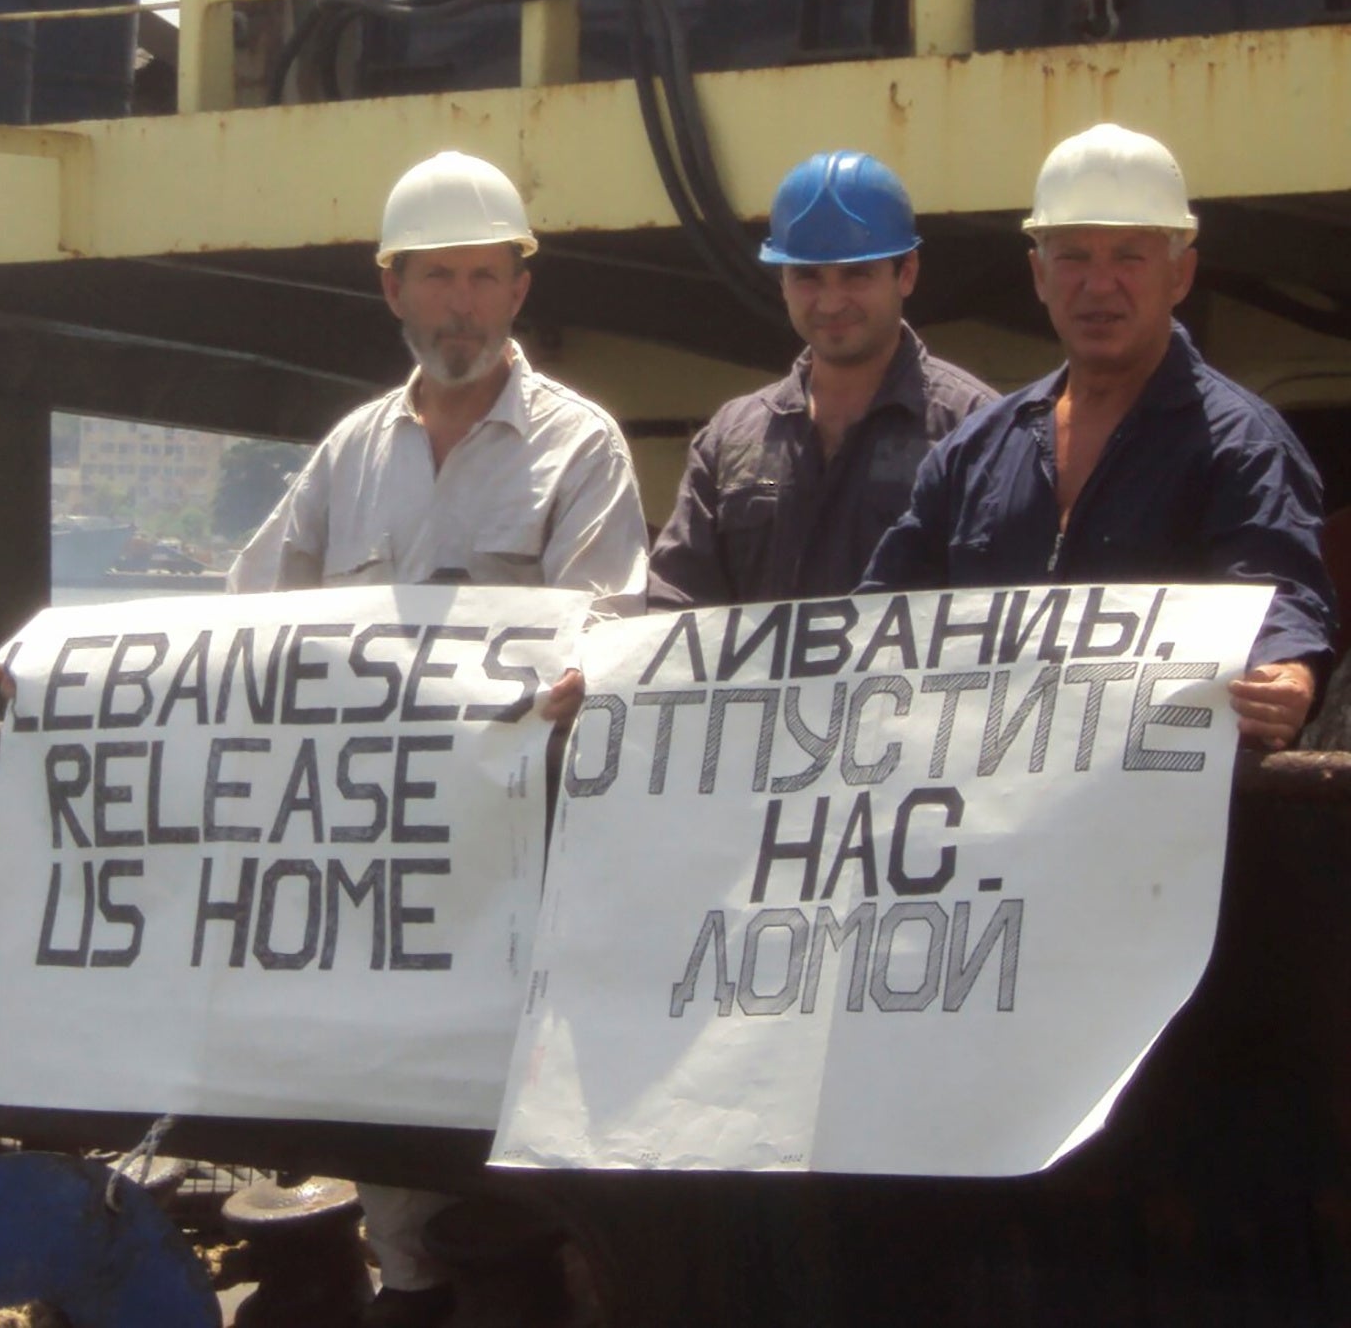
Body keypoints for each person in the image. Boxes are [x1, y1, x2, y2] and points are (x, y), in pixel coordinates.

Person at [229, 149, 651, 1326]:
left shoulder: (583, 449)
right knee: (396, 1168)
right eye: (436, 278)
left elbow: (609, 635)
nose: (460, 303)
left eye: (482, 276)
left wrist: (568, 683)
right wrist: (69, 669)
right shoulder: (347, 454)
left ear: (518, 289)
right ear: (392, 289)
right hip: (384, 875)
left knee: (531, 1144)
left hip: (526, 870)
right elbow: (244, 616)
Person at [863, 122, 1337, 746]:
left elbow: (1278, 596)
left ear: (1181, 275)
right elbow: (878, 619)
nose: (1098, 285)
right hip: (993, 824)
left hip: (1159, 826)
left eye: (1129, 257)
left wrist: (1287, 673)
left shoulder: (1242, 446)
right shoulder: (974, 453)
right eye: (1074, 258)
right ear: (1039, 274)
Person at [647, 151, 995, 608]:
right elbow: (675, 602)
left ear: (905, 273)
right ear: (783, 282)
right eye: (808, 277)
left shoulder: (976, 431)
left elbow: (1002, 611)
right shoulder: (730, 438)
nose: (831, 303)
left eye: (856, 275)